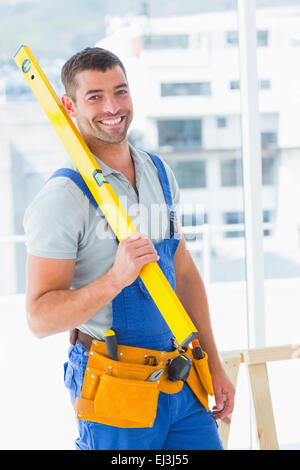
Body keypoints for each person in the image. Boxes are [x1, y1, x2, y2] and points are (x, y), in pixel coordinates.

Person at [23, 47, 234, 450]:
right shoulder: (63, 198)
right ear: (69, 106)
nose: (113, 107)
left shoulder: (159, 172)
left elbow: (183, 272)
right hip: (113, 385)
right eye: (95, 96)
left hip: (179, 378)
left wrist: (214, 365)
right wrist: (113, 281)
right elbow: (39, 318)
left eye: (120, 92)